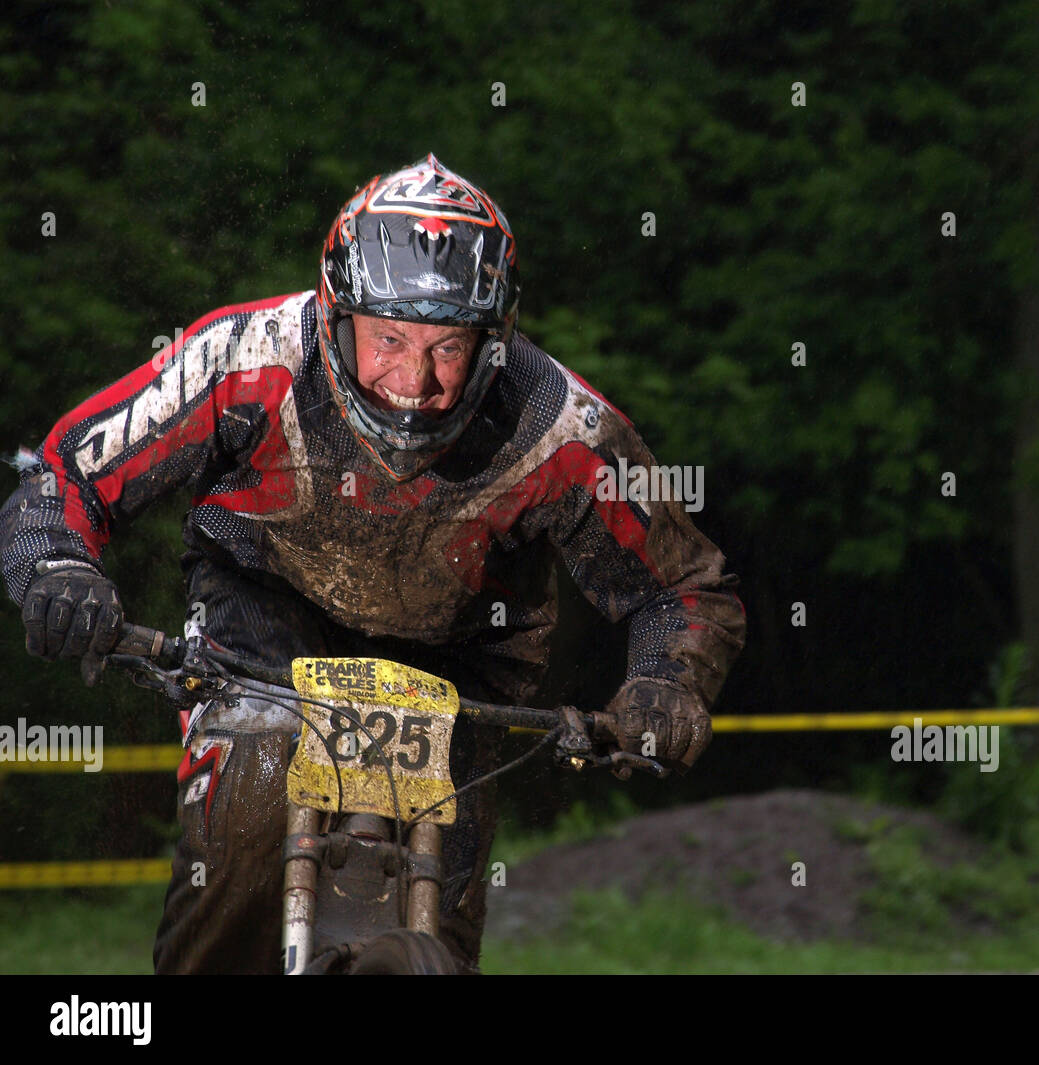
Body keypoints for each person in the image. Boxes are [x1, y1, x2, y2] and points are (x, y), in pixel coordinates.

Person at [0, 152, 746, 973]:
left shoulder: (563, 427)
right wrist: (56, 566)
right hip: (261, 624)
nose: (413, 379)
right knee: (252, 792)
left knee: (441, 941)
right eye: (389, 338)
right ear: (337, 314)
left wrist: (665, 682)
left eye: (448, 346)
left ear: (495, 342)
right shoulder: (247, 358)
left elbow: (685, 584)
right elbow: (66, 470)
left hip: (455, 668)